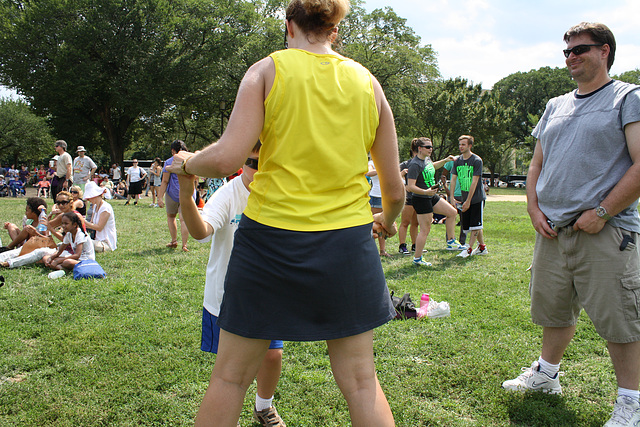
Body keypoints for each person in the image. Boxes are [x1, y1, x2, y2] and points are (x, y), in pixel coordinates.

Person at [167, 1, 404, 425]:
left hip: (269, 242)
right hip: (348, 242)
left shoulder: (265, 71)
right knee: (361, 381)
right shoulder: (369, 83)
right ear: (334, 27)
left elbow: (225, 160)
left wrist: (185, 163)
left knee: (230, 378)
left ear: (289, 25)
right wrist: (386, 219)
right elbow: (396, 189)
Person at [500, 22, 640, 427]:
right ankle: (547, 374)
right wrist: (533, 209)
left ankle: (631, 401)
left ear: (605, 51)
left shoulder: (627, 98)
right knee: (553, 309)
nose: (571, 57)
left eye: (580, 49)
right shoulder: (555, 104)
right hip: (553, 230)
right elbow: (536, 164)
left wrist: (602, 213)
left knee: (620, 318)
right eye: (567, 52)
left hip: (606, 231)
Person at [177, 142, 286, 426]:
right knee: (229, 371)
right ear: (241, 163)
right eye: (252, 163)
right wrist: (187, 197)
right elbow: (201, 232)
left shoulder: (283, 192)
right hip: (227, 298)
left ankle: (264, 407)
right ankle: (227, 415)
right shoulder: (229, 194)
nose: (258, 170)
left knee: (273, 356)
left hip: (268, 296)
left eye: (266, 163)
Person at [406, 137, 462, 266]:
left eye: (431, 147)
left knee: (452, 212)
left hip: (431, 195)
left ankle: (451, 241)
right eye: (427, 147)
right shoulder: (414, 164)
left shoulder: (426, 159)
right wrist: (425, 192)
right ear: (420, 148)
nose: (430, 149)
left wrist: (445, 160)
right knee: (425, 230)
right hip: (421, 198)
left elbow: (432, 166)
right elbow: (410, 186)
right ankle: (417, 259)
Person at [450, 135, 488, 258]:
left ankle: (469, 249)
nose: (461, 146)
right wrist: (451, 197)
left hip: (476, 198)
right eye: (460, 144)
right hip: (463, 198)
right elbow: (454, 180)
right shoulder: (457, 161)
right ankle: (482, 247)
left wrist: (469, 201)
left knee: (475, 225)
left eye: (463, 144)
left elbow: (474, 181)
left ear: (470, 146)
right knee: (472, 225)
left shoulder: (476, 161)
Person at [158, 140, 191, 252]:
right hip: (187, 193)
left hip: (172, 193)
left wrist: (159, 197)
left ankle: (174, 241)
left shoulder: (169, 161)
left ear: (173, 150)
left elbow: (165, 181)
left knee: (171, 217)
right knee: (184, 219)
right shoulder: (190, 160)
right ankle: (184, 245)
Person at [397, 141, 420, 255]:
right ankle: (402, 245)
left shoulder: (424, 163)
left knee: (415, 223)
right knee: (405, 222)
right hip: (409, 198)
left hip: (419, 197)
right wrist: (402, 173)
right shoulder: (406, 164)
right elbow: (394, 176)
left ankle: (415, 245)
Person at [83, 182, 117, 252]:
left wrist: (83, 221)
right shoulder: (95, 206)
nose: (88, 200)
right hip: (97, 240)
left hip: (106, 243)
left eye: (89, 198)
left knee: (81, 243)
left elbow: (99, 227)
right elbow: (92, 224)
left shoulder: (105, 208)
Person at [441, 158, 467, 246]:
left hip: (465, 194)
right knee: (451, 218)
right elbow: (443, 176)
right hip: (453, 194)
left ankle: (462, 243)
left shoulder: (472, 160)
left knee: (465, 220)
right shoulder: (452, 161)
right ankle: (450, 241)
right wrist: (447, 190)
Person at [367, 158, 390, 257]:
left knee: (384, 225)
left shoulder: (387, 161)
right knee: (375, 225)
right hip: (376, 197)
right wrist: (381, 169)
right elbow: (369, 173)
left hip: (387, 196)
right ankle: (370, 250)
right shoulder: (371, 163)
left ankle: (382, 250)